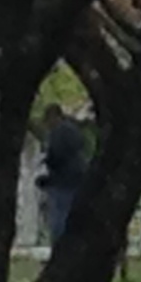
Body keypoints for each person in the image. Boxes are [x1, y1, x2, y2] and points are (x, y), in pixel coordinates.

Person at [37, 105, 89, 245]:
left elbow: (56, 157)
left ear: (54, 117)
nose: (46, 124)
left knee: (58, 217)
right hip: (76, 179)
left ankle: (59, 246)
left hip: (61, 182)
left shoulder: (58, 132)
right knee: (70, 216)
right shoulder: (73, 131)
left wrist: (46, 172)